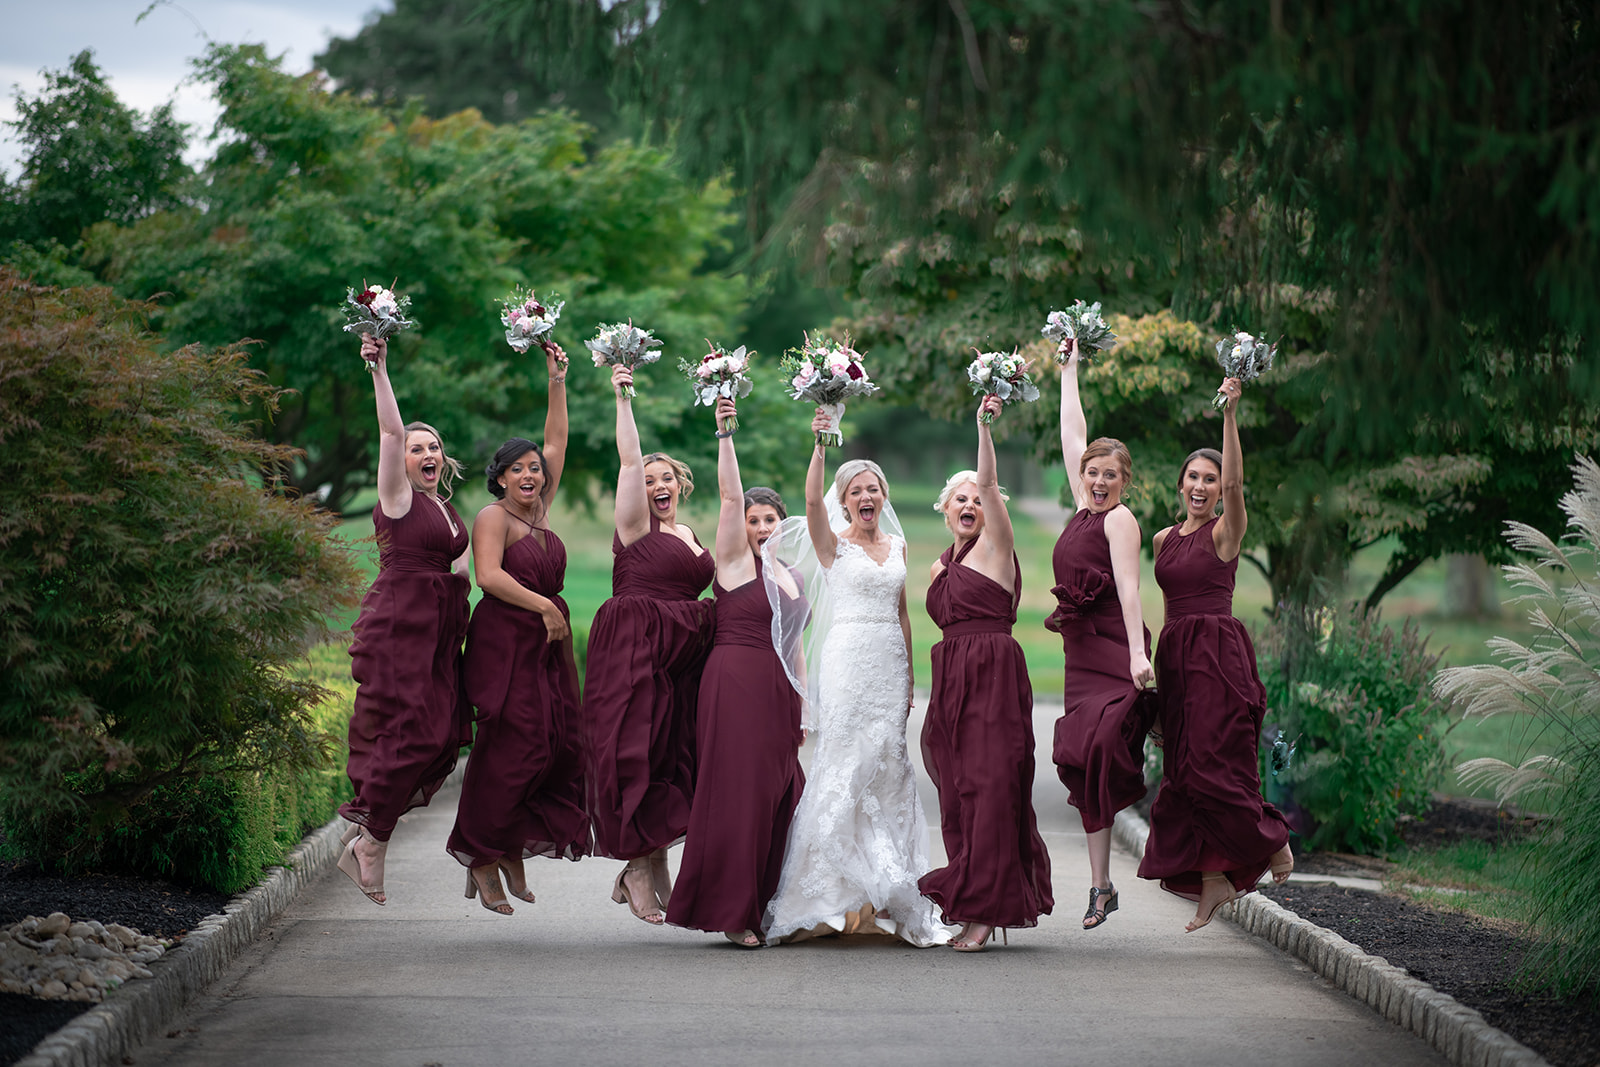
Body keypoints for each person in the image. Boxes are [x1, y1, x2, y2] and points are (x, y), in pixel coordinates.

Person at [762, 408, 953, 947]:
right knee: (845, 766)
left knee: (889, 767)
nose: (867, 498)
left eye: (875, 490)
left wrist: (912, 673)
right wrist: (822, 443)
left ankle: (877, 897)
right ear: (844, 499)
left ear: (883, 497)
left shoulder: (898, 547)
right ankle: (825, 899)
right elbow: (805, 502)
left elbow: (902, 613)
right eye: (857, 491)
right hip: (847, 661)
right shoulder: (832, 544)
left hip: (890, 665)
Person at [1138, 376, 1294, 931]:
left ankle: (1272, 841)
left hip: (1217, 658)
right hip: (1176, 661)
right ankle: (1212, 882)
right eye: (1193, 479)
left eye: (1210, 479)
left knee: (1215, 770)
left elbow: (1236, 485)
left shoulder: (1227, 531)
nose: (1202, 487)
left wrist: (1230, 416)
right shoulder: (1162, 540)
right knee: (1182, 774)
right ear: (1180, 485)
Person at [446, 341, 590, 915]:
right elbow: (488, 577)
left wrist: (557, 380)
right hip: (506, 641)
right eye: (518, 469)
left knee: (555, 743)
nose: (531, 474)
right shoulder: (494, 517)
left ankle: (505, 844)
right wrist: (547, 608)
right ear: (500, 478)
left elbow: (557, 441)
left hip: (544, 648)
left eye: (534, 469)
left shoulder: (540, 510)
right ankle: (482, 854)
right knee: (515, 745)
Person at [666, 397, 807, 947]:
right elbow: (728, 494)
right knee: (739, 793)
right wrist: (726, 432)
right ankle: (729, 911)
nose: (763, 528)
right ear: (741, 527)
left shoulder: (793, 574)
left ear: (783, 523)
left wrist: (803, 700)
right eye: (754, 520)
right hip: (734, 681)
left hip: (779, 691)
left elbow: (795, 642)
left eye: (771, 519)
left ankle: (765, 902)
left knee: (780, 792)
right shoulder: (732, 563)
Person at [337, 333, 472, 906]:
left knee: (441, 734)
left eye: (434, 446)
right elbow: (390, 432)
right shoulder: (397, 498)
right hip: (400, 624)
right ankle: (372, 840)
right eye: (417, 447)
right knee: (406, 733)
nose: (426, 453)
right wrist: (380, 369)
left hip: (439, 632)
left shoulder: (446, 507)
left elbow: (468, 569)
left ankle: (371, 837)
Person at [919, 394, 1054, 951]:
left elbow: (992, 484)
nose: (970, 504)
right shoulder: (938, 567)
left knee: (993, 788)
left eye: (978, 498)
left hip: (994, 676)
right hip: (951, 682)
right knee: (959, 793)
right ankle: (976, 894)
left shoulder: (997, 546)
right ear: (946, 509)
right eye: (960, 499)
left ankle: (985, 910)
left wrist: (984, 428)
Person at [584, 364, 716, 924]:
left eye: (667, 480)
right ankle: (637, 868)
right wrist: (624, 398)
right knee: (636, 751)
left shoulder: (687, 533)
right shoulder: (635, 526)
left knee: (673, 756)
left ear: (681, 486)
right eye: (649, 480)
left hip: (682, 658)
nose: (657, 486)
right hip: (637, 648)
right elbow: (630, 458)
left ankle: (652, 860)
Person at [1048, 336, 1156, 930]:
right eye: (1092, 472)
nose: (1098, 481)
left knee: (1103, 750)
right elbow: (1072, 433)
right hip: (1077, 654)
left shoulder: (1119, 520)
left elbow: (1132, 589)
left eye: (1109, 475)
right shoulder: (1081, 508)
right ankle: (1101, 888)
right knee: (1086, 763)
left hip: (1116, 651)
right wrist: (1069, 371)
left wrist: (1140, 656)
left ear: (1123, 482)